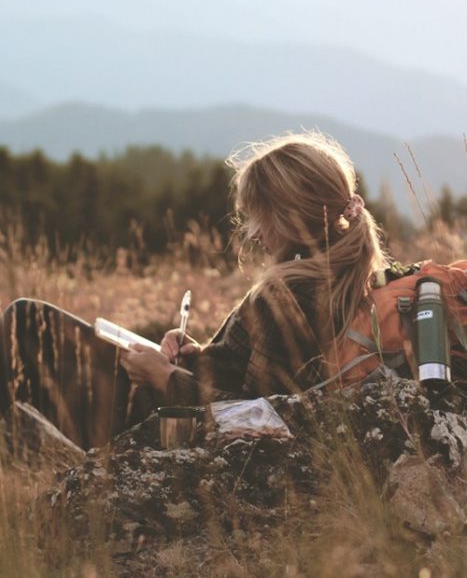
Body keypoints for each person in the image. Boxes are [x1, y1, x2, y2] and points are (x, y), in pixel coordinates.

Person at [0, 132, 389, 449]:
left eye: (258, 216)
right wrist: (199, 356)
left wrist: (163, 377)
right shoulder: (343, 277)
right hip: (171, 405)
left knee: (25, 323)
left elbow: (259, 419)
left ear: (289, 216)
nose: (253, 232)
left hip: (160, 424)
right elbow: (257, 381)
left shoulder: (290, 294)